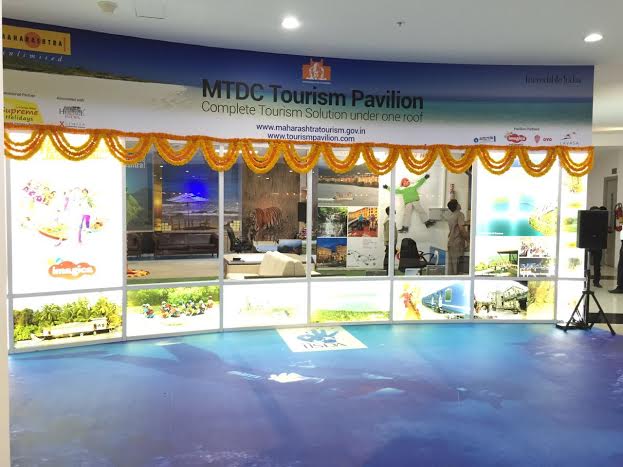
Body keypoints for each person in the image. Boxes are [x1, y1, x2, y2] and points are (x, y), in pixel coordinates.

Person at [446, 199, 469, 275]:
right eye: (458, 203)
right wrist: (468, 240)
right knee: (458, 267)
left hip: (450, 243)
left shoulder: (451, 216)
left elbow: (457, 225)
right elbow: (461, 229)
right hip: (457, 243)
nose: (459, 204)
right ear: (456, 206)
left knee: (451, 268)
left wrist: (467, 222)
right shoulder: (460, 214)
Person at [589, 206, 607, 288]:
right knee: (589, 265)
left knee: (597, 265)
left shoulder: (602, 221)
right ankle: (591, 280)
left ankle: (596, 281)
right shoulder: (588, 221)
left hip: (597, 245)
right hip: (589, 244)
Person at [383, 206, 398, 272]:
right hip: (390, 242)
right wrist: (390, 243)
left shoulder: (390, 219)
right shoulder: (389, 220)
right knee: (389, 257)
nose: (395, 211)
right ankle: (388, 271)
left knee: (389, 257)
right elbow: (388, 233)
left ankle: (388, 271)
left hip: (391, 242)